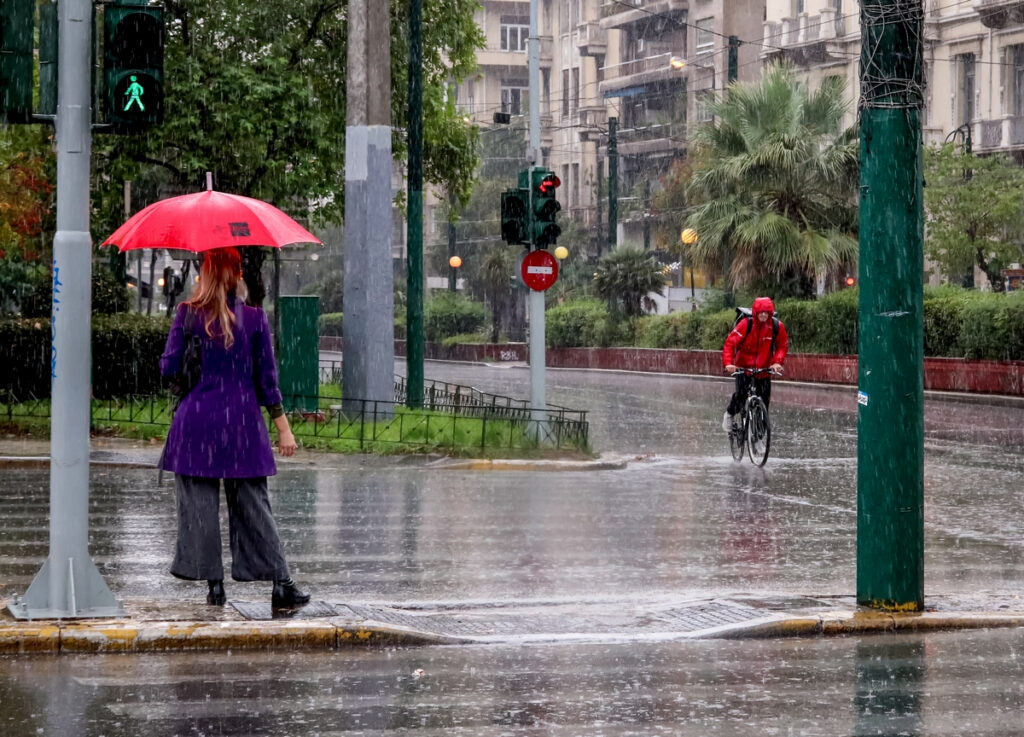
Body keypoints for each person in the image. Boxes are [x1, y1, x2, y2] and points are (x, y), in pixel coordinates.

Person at [159, 247, 310, 610]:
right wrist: (284, 430)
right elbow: (267, 382)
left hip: (195, 426)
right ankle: (281, 584)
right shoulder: (256, 320)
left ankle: (214, 586)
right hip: (242, 426)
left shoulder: (187, 315)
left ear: (206, 274)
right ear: (237, 275)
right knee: (254, 507)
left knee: (199, 508)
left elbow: (167, 369)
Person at [722, 296, 789, 431]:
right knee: (740, 396)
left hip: (764, 371)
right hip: (743, 368)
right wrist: (729, 363)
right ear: (756, 312)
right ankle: (729, 415)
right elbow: (730, 344)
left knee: (764, 406)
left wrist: (777, 362)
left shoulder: (776, 326)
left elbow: (782, 345)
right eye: (761, 312)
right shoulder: (746, 324)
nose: (763, 315)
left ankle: (759, 439)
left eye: (766, 312)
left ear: (770, 313)